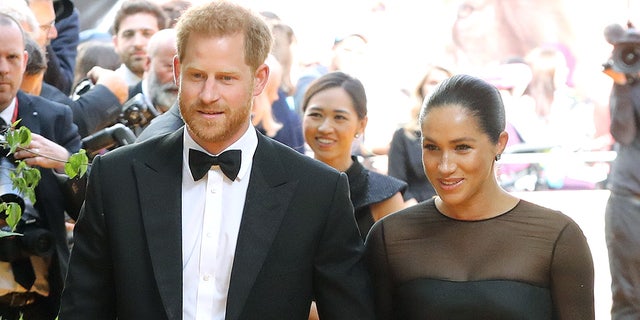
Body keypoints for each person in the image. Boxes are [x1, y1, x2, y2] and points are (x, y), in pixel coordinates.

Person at [59, 2, 375, 320]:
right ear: (178, 71)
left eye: (226, 78)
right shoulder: (117, 177)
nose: (209, 95)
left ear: (260, 78)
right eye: (197, 76)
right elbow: (82, 309)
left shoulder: (318, 191)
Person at [365, 74, 595, 319]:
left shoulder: (557, 238)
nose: (445, 166)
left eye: (462, 147)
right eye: (431, 147)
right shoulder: (390, 237)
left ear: (500, 143)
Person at [0, 13, 85, 319]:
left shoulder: (53, 118)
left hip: (43, 304)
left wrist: (65, 164)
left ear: (24, 61)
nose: (2, 69)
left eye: (11, 58)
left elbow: (90, 208)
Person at [301, 71, 407, 240]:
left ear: (361, 125)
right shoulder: (285, 184)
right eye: (315, 115)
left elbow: (400, 263)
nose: (325, 128)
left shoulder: (383, 196)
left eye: (339, 117)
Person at [603, 36, 640, 319]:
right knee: (628, 299)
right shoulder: (627, 84)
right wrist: (622, 85)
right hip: (630, 201)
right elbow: (623, 133)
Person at [388, 64, 452, 205]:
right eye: (433, 82)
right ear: (421, 89)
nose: (439, 87)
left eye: (445, 83)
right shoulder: (403, 135)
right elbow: (396, 181)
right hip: (416, 209)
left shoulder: (463, 134)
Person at [111, 0, 167, 86]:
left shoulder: (179, 89)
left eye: (147, 33)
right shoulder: (105, 94)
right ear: (116, 43)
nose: (138, 43)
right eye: (128, 35)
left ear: (163, 39)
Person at [128, 28, 178, 116]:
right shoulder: (118, 108)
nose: (178, 80)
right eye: (171, 67)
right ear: (148, 63)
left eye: (188, 72)